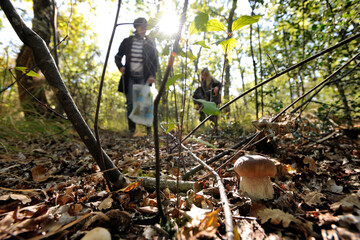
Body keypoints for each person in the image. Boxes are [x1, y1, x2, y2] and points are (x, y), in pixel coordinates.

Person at [115, 17, 158, 136]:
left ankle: (148, 131)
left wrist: (152, 75)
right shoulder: (127, 41)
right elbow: (117, 56)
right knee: (130, 104)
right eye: (142, 27)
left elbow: (154, 61)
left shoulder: (149, 43)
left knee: (147, 103)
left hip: (145, 78)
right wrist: (120, 67)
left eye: (145, 27)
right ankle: (131, 130)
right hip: (130, 77)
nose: (144, 30)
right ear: (136, 28)